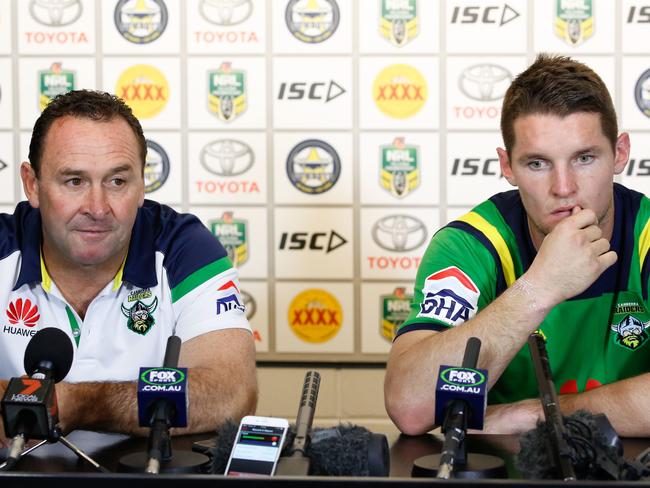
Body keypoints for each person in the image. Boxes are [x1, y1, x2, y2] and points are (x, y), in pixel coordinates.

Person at [385, 54, 650, 436]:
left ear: (620, 153)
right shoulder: (470, 245)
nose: (563, 188)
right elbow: (410, 408)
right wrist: (538, 287)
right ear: (507, 166)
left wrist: (541, 415)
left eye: (584, 158)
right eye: (538, 164)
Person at [0, 90, 257, 446]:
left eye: (117, 181)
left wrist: (81, 403)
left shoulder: (184, 247)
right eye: (74, 181)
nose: (98, 207)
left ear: (142, 186)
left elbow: (230, 393)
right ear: (33, 185)